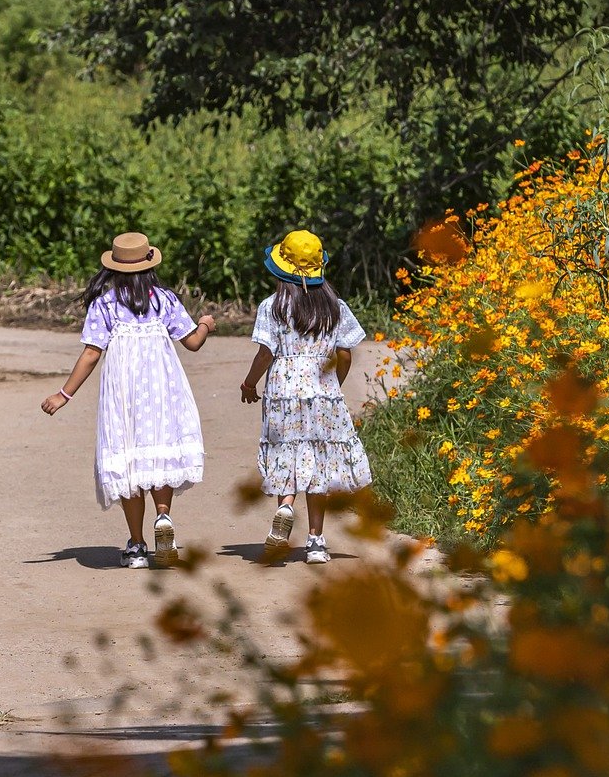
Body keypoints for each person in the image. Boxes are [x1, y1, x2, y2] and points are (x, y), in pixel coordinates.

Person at [42, 232, 214, 568]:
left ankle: (136, 546)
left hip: (122, 394)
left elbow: (92, 353)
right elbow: (192, 342)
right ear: (149, 267)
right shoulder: (164, 300)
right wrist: (206, 324)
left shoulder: (105, 305)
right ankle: (163, 518)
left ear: (115, 269)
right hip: (162, 391)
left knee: (129, 458)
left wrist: (64, 394)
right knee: (158, 451)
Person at [239, 230, 372, 564]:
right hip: (322, 391)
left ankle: (285, 507)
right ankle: (315, 541)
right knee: (318, 463)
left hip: (284, 392)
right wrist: (333, 384)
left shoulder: (272, 307)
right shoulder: (335, 308)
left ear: (280, 270)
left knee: (288, 452)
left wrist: (249, 384)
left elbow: (265, 354)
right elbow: (345, 355)